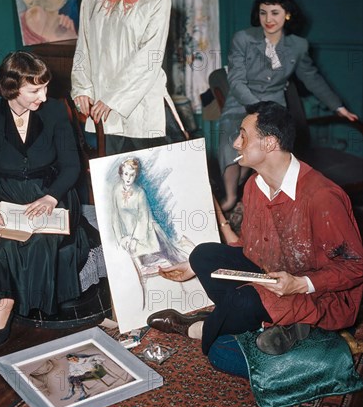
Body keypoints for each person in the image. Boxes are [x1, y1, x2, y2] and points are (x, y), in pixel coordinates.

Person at [148, 101, 363, 356]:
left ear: (270, 143)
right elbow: (251, 249)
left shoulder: (322, 196)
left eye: (243, 136)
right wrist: (193, 265)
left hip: (319, 294)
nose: (236, 144)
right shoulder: (253, 185)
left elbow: (356, 267)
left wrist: (301, 283)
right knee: (203, 255)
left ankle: (198, 328)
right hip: (272, 275)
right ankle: (260, 322)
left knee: (227, 342)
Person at [0, 51, 106, 360]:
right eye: (35, 90)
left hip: (51, 191)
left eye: (45, 87)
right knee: (3, 235)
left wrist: (50, 198)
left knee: (37, 237)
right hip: (2, 196)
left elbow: (71, 168)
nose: (44, 96)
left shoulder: (56, 113)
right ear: (12, 87)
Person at [218, 0, 358, 212]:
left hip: (275, 107)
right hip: (241, 103)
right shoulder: (243, 39)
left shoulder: (298, 46)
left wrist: (338, 106)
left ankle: (250, 190)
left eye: (275, 13)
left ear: (287, 14)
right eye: (263, 13)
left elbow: (312, 78)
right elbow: (235, 81)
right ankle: (230, 196)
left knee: (265, 149)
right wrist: (254, 106)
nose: (268, 19)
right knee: (230, 143)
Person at [71, 0, 186, 155]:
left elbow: (149, 59)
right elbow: (83, 42)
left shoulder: (158, 2)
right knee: (114, 179)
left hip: (141, 101)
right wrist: (82, 87)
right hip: (102, 102)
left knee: (161, 176)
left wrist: (113, 99)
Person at [111, 158, 193, 278]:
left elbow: (143, 218)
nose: (128, 178)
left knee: (170, 262)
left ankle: (185, 246)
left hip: (146, 233)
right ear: (121, 174)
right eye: (126, 174)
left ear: (136, 175)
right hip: (127, 234)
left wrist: (135, 239)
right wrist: (121, 238)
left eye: (132, 175)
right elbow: (115, 216)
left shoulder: (140, 193)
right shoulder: (116, 190)